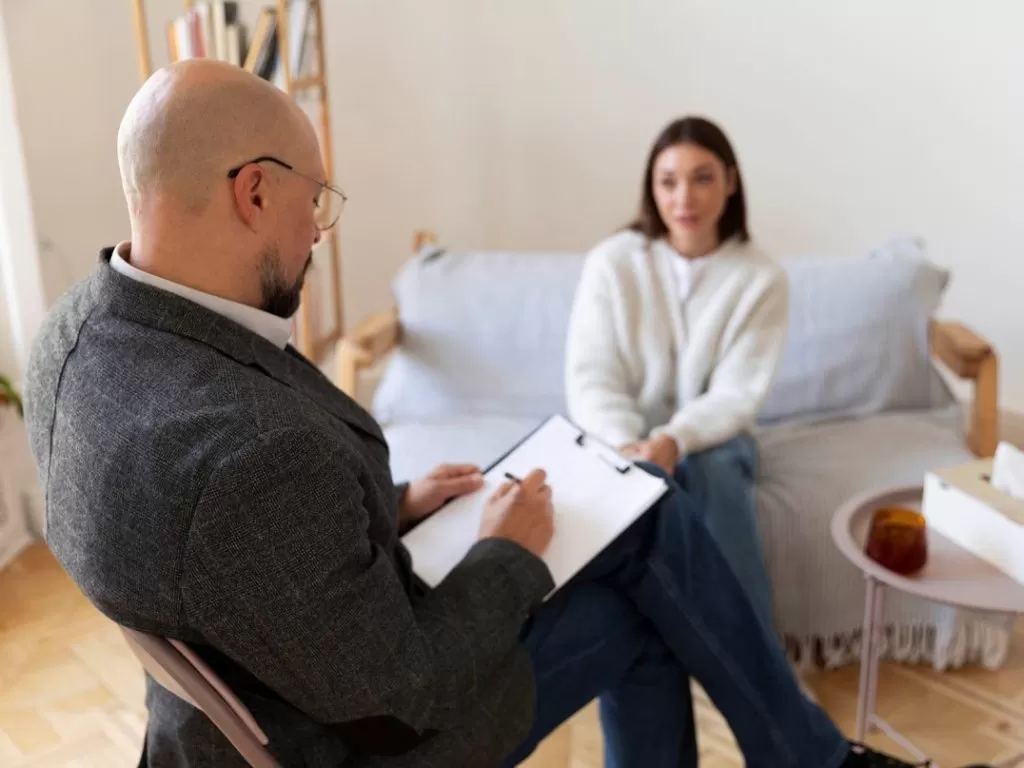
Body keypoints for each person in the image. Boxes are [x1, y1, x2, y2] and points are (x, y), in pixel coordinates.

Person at [22, 61, 988, 768]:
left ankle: (810, 759)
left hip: (283, 681)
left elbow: (244, 554)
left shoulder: (77, 337)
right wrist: (506, 553)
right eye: (314, 200)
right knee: (650, 566)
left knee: (650, 511)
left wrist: (387, 506)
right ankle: (815, 761)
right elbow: (411, 684)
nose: (318, 227)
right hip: (378, 739)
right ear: (254, 191)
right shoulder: (246, 460)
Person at [565, 116, 784, 635]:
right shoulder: (611, 263)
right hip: (616, 440)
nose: (684, 197)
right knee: (633, 486)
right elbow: (591, 376)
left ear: (731, 182)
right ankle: (659, 653)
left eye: (702, 178)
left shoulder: (761, 278)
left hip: (714, 441)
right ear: (652, 189)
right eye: (668, 181)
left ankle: (754, 652)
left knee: (708, 473)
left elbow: (738, 394)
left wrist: (675, 439)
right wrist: (626, 443)